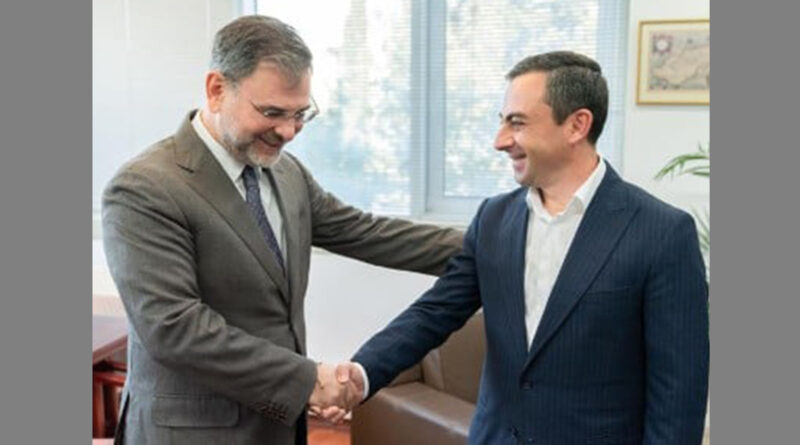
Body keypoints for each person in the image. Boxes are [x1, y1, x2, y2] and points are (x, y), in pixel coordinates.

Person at [101, 15, 463, 445]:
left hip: (276, 423)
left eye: (300, 114)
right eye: (272, 112)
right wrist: (308, 380)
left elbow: (367, 232)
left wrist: (497, 241)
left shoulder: (286, 172)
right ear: (217, 89)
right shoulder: (145, 188)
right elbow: (175, 327)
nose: (288, 132)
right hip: (193, 433)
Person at [334, 51, 709, 444]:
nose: (499, 141)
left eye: (517, 122)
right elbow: (435, 312)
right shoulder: (493, 219)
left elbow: (678, 398)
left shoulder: (662, 233)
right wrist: (360, 374)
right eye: (502, 122)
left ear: (577, 125)